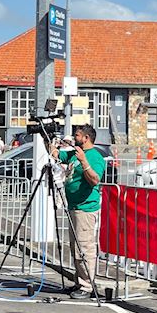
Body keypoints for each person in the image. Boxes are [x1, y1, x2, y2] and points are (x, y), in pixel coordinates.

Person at [55, 123, 105, 298]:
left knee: (84, 247)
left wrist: (84, 161)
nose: (74, 138)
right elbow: (56, 154)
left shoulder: (94, 157)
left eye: (77, 135)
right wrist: (47, 137)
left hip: (85, 208)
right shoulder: (74, 153)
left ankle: (87, 285)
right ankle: (79, 282)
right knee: (75, 247)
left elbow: (95, 180)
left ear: (86, 138)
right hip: (73, 207)